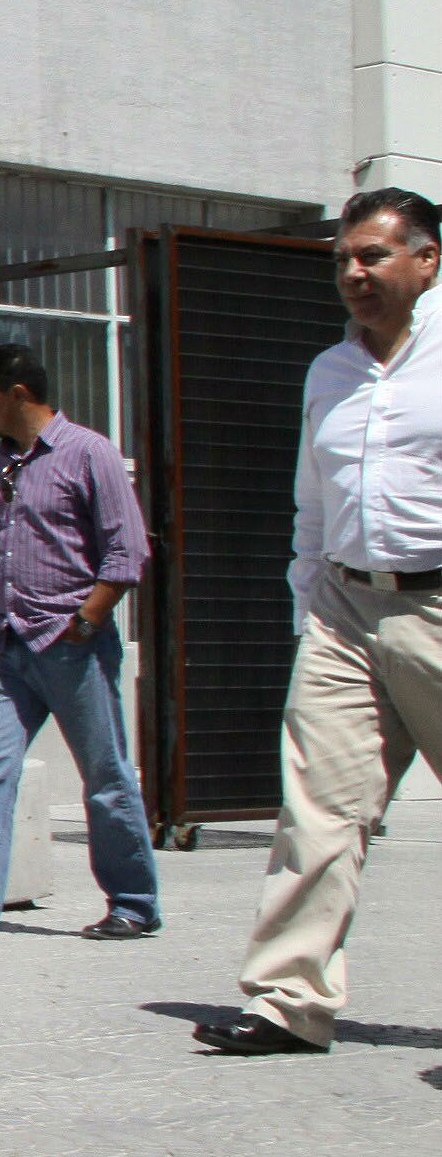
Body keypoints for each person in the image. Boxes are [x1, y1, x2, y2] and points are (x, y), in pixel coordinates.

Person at [195, 186, 442, 1055]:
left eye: (371, 255)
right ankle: (286, 1003)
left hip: (436, 606)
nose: (352, 273)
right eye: (342, 258)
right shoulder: (327, 371)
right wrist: (307, 602)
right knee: (318, 808)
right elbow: (312, 498)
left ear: (425, 260)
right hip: (342, 607)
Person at [0, 343, 160, 944]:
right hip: (6, 648)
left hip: (72, 645)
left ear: (17, 394)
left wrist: (86, 622)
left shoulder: (89, 453)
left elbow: (127, 553)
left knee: (105, 773)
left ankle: (134, 902)